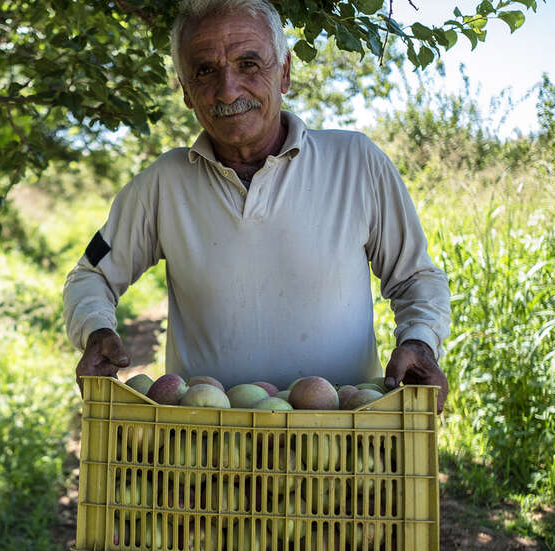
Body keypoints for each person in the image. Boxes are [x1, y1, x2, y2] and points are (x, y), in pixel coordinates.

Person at [62, 0, 451, 413]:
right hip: (207, 449)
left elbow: (415, 278)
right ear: (185, 91)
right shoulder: (163, 184)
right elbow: (91, 275)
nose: (228, 90)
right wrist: (95, 330)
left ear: (284, 72)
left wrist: (419, 342)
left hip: (343, 441)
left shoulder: (357, 163)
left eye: (249, 64)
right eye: (206, 71)